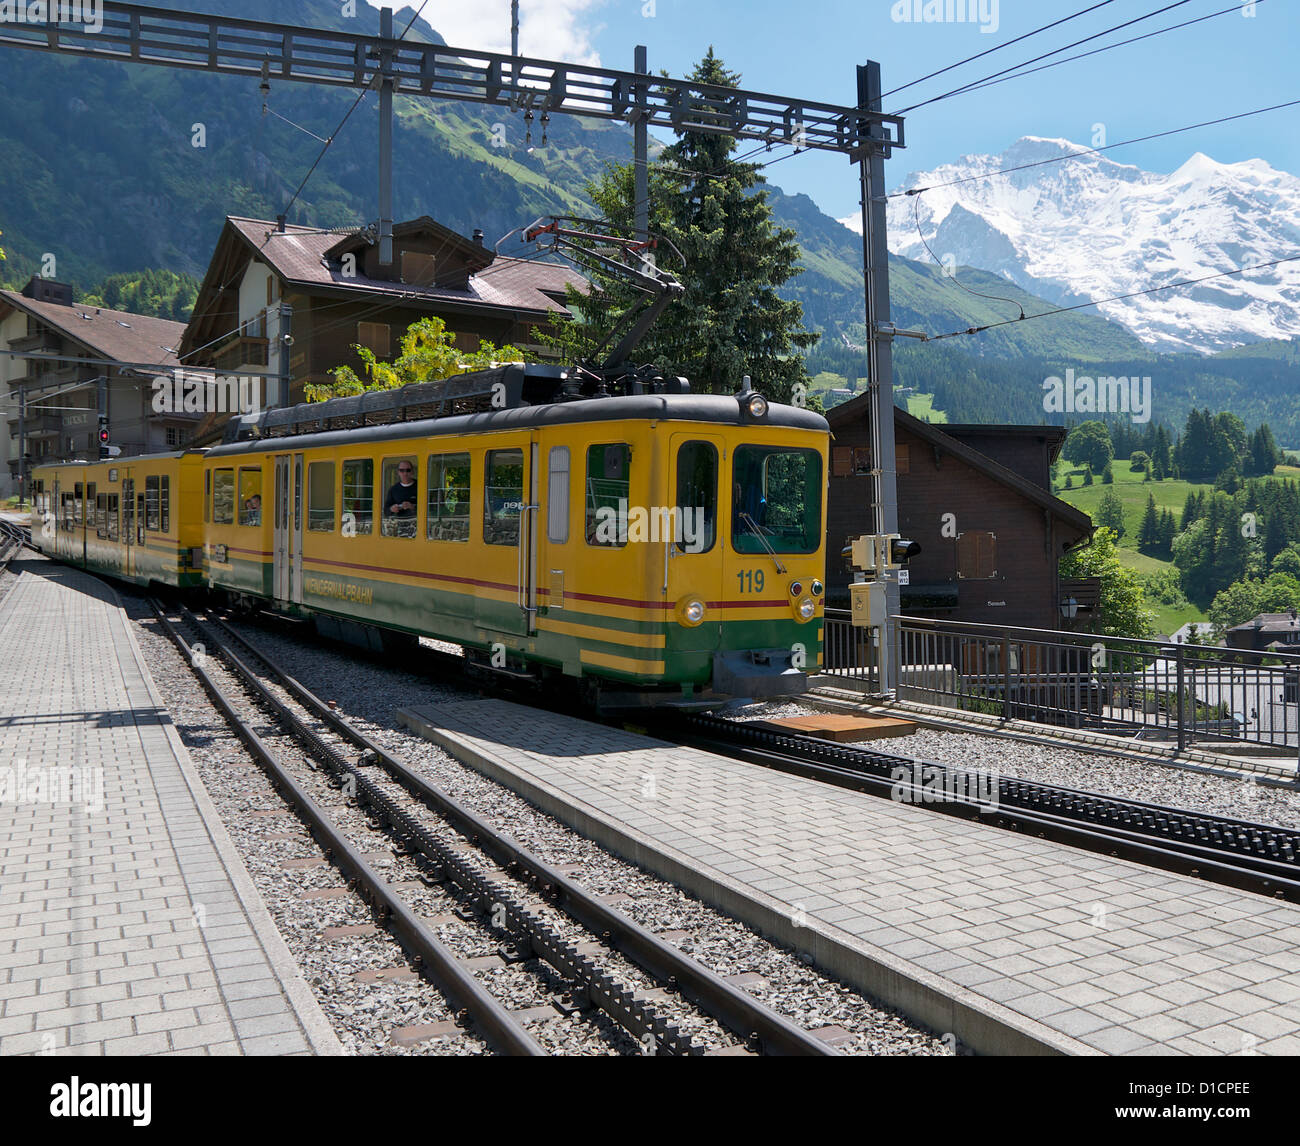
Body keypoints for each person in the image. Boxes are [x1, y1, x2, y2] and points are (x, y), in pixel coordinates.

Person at [385, 462, 417, 535]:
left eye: (408, 470)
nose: (405, 473)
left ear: (412, 471)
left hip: (417, 527)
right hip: (399, 528)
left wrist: (412, 507)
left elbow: (430, 509)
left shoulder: (420, 486)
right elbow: (386, 510)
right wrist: (392, 509)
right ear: (398, 472)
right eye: (402, 470)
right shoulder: (393, 490)